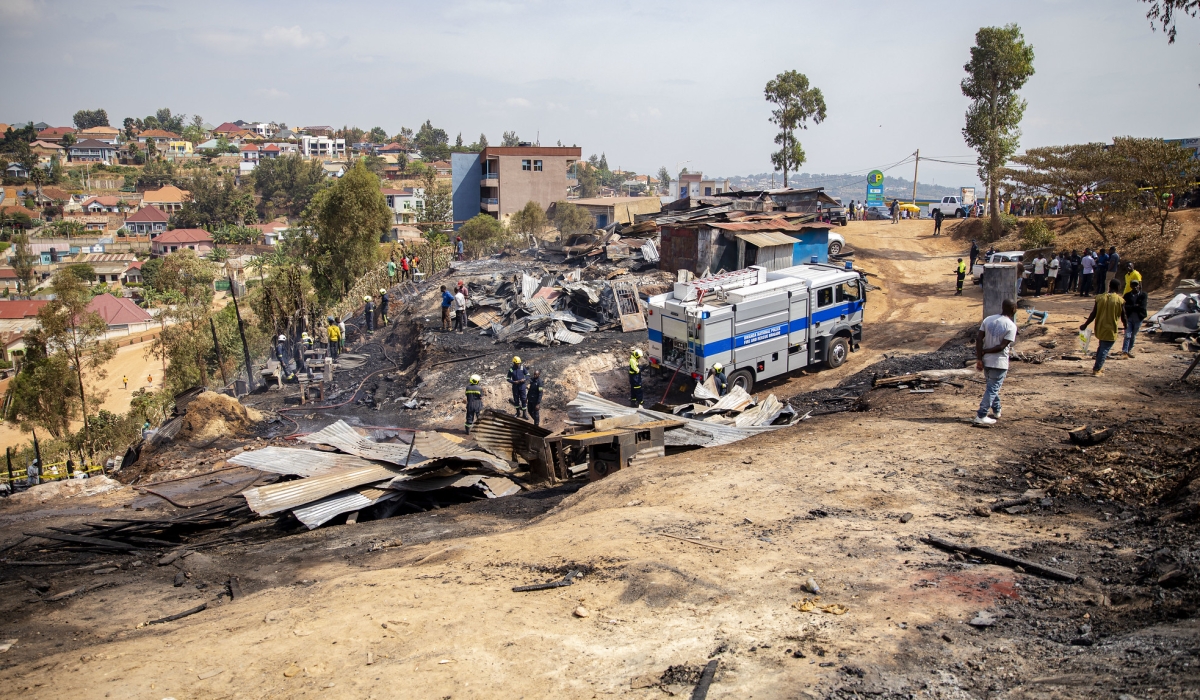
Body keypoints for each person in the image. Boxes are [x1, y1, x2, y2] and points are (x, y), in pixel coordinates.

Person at [973, 298, 1018, 426]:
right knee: (993, 388)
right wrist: (985, 352)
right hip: (999, 361)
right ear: (1014, 310)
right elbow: (1001, 347)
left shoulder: (988, 320)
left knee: (992, 387)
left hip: (987, 361)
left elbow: (979, 338)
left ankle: (997, 409)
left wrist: (980, 357)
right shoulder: (1011, 326)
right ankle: (981, 415)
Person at [1080, 278, 1125, 376]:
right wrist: (1126, 327)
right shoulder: (1120, 300)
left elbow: (1093, 314)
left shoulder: (1100, 298)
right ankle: (1097, 369)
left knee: (1101, 347)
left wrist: (1085, 324)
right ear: (1118, 287)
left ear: (1109, 286)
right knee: (1105, 349)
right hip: (1111, 328)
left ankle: (1099, 366)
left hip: (1100, 327)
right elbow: (1123, 316)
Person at [1122, 279, 1148, 357]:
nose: (1135, 287)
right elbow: (1124, 307)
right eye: (1133, 285)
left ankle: (1129, 349)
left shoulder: (1143, 295)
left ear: (1139, 286)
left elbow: (1142, 307)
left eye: (1136, 285)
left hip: (1138, 318)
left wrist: (1131, 307)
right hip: (1129, 318)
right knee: (1127, 335)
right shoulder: (1127, 295)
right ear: (1131, 286)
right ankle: (1125, 351)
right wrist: (1135, 306)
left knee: (1133, 335)